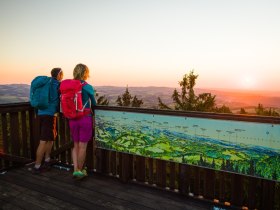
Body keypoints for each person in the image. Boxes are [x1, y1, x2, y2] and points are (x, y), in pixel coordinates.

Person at [32, 68, 63, 174]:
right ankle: (37, 166)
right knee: (43, 140)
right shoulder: (57, 84)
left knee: (51, 137)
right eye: (61, 74)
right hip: (49, 115)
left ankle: (47, 159)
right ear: (59, 75)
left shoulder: (46, 82)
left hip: (40, 113)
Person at [69, 63, 96, 179]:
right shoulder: (87, 86)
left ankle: (75, 169)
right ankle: (79, 170)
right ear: (85, 73)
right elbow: (94, 103)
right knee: (83, 146)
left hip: (72, 118)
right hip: (85, 118)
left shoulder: (69, 85)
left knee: (75, 145)